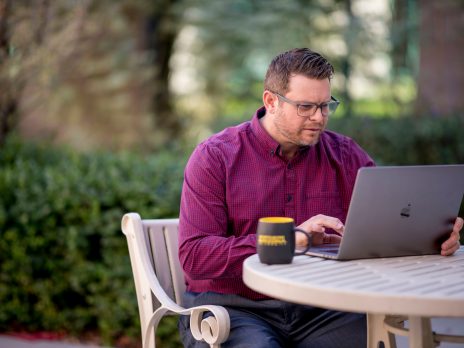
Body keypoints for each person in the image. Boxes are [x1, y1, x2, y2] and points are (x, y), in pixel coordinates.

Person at [177, 48, 463, 347]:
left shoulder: (346, 155)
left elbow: (388, 227)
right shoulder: (215, 157)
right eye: (305, 106)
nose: (318, 117)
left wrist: (434, 238)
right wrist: (292, 239)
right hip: (234, 308)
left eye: (326, 106)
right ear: (271, 101)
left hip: (322, 310)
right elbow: (196, 256)